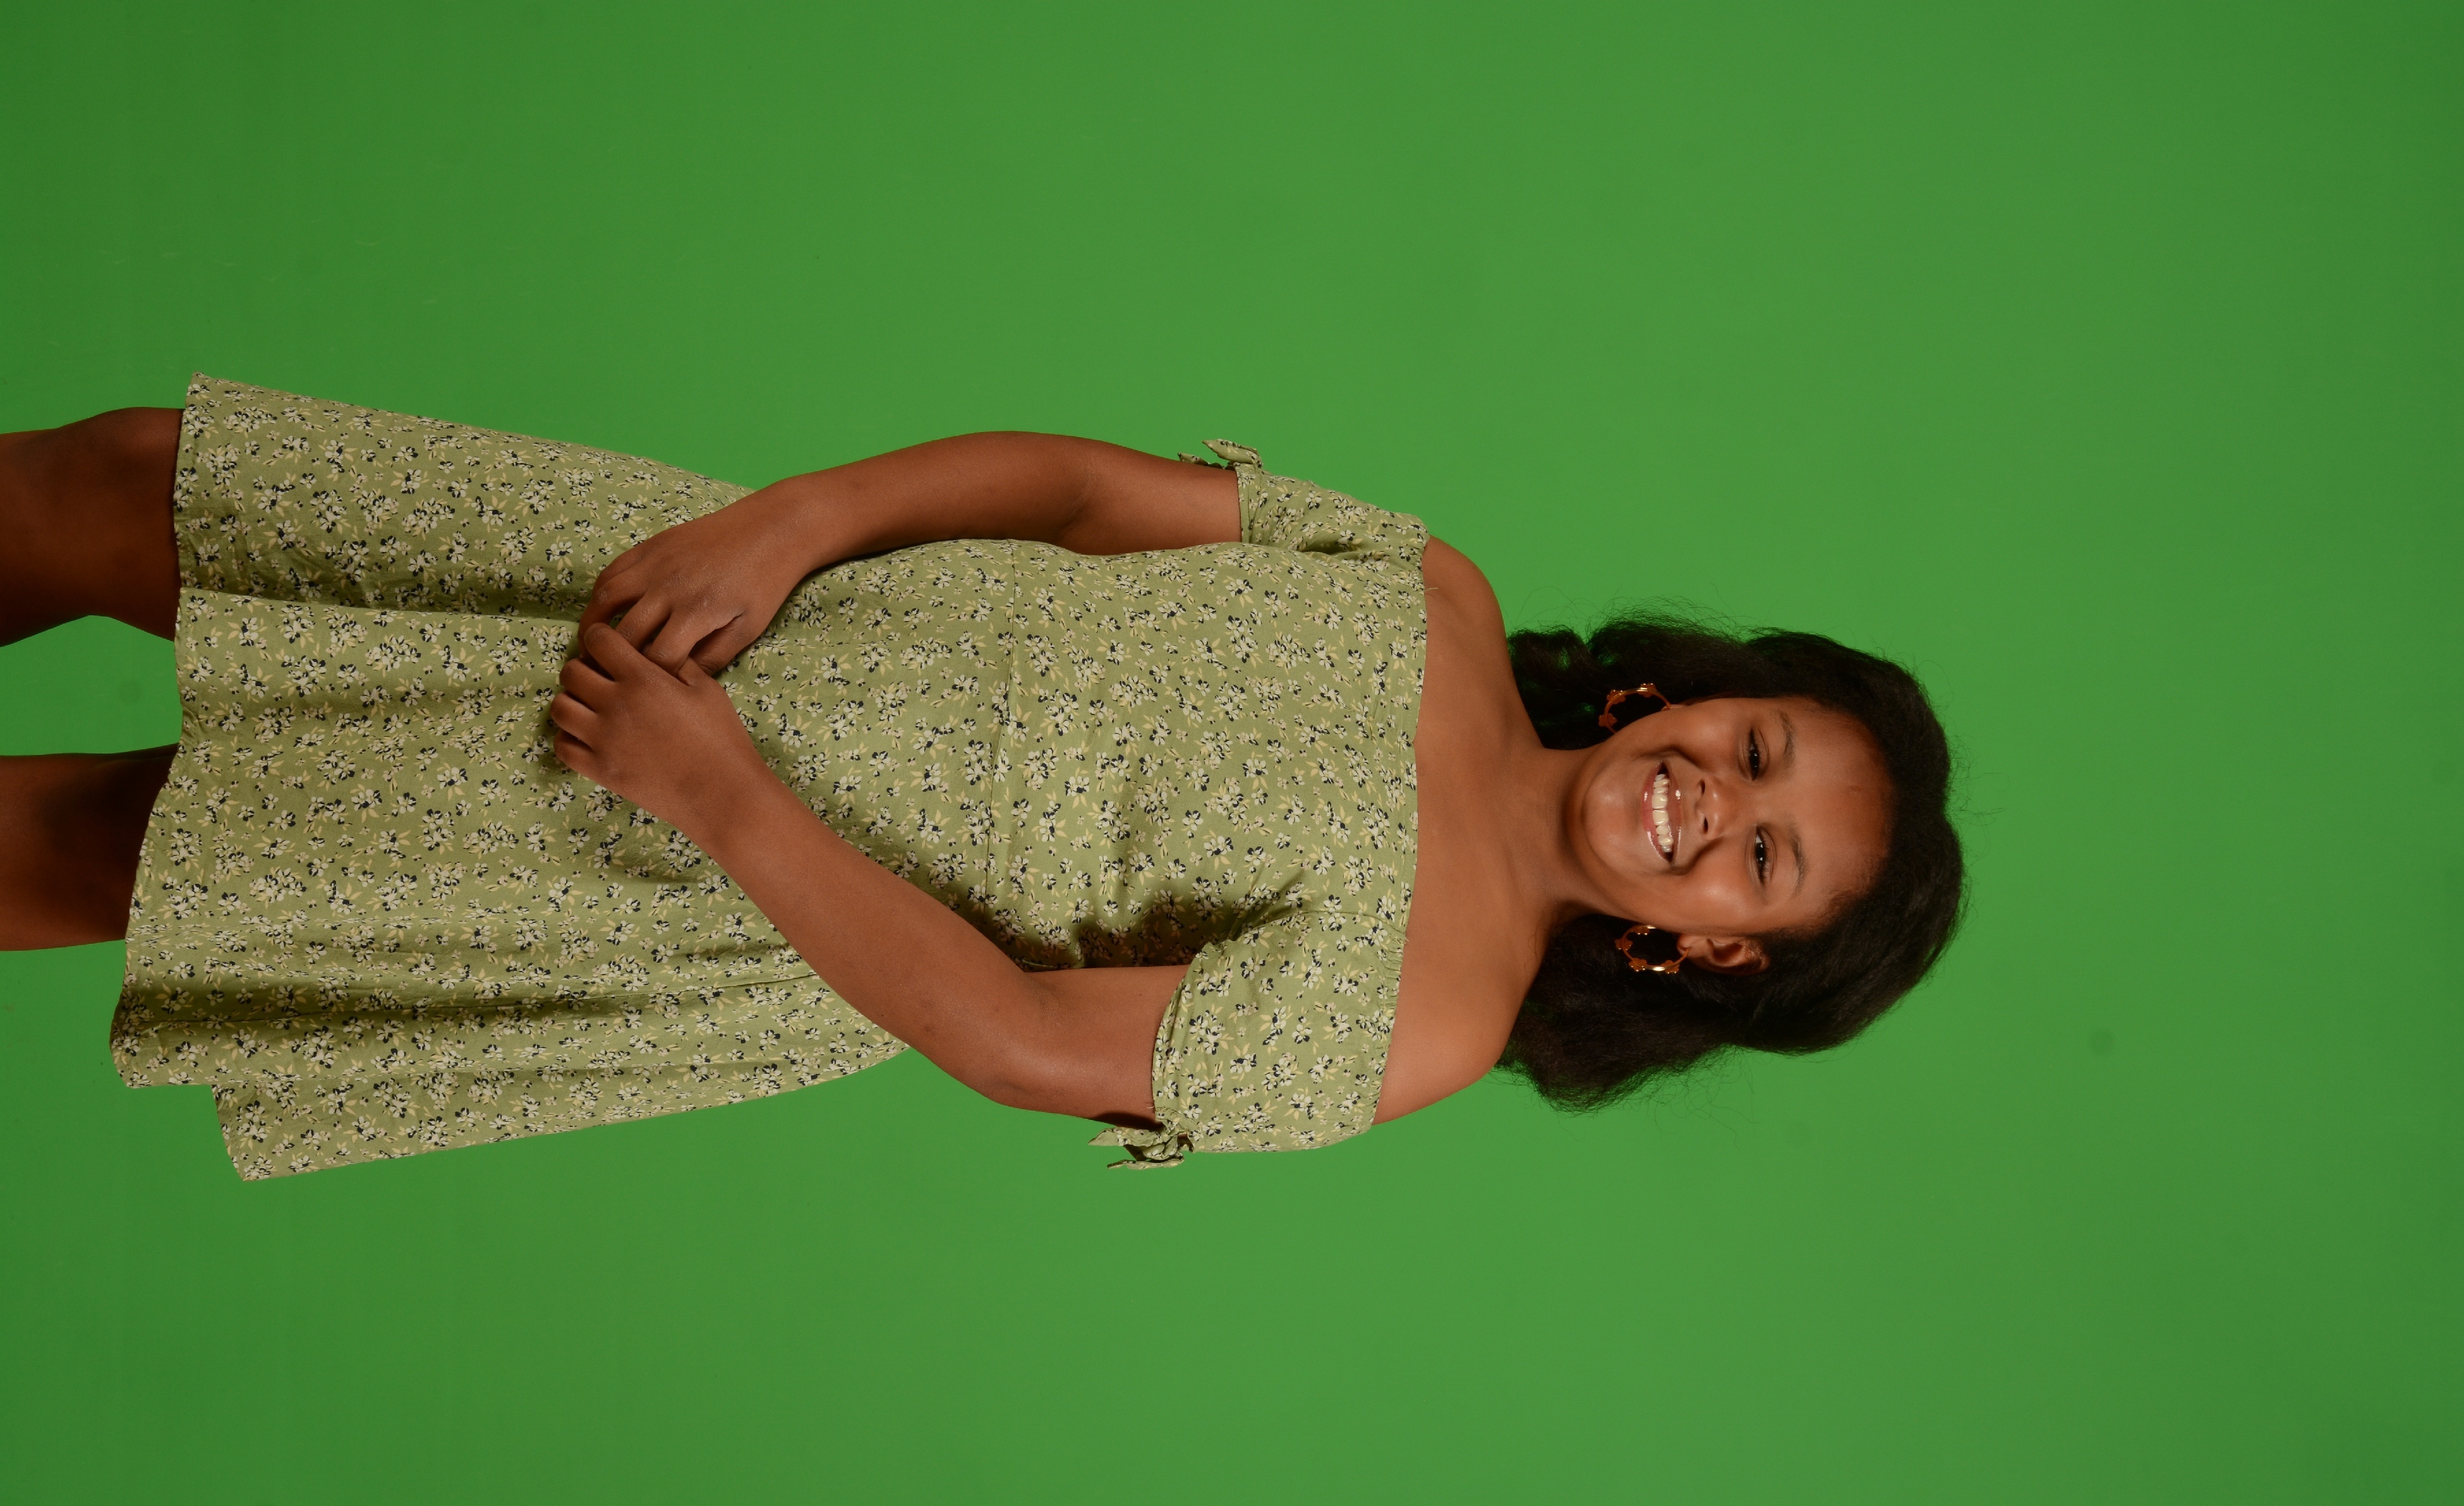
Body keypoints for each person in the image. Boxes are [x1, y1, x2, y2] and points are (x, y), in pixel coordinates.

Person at [0, 377, 1963, 1179]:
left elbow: (1023, 1038)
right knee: (130, 477)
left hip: (686, 850)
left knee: (118, 837)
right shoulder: (1434, 592)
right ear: (1694, 692)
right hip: (736, 603)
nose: (1714, 801)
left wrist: (717, 798)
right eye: (1755, 747)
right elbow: (1085, 490)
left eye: (1762, 859)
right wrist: (789, 521)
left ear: (1710, 956)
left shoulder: (1424, 1024)